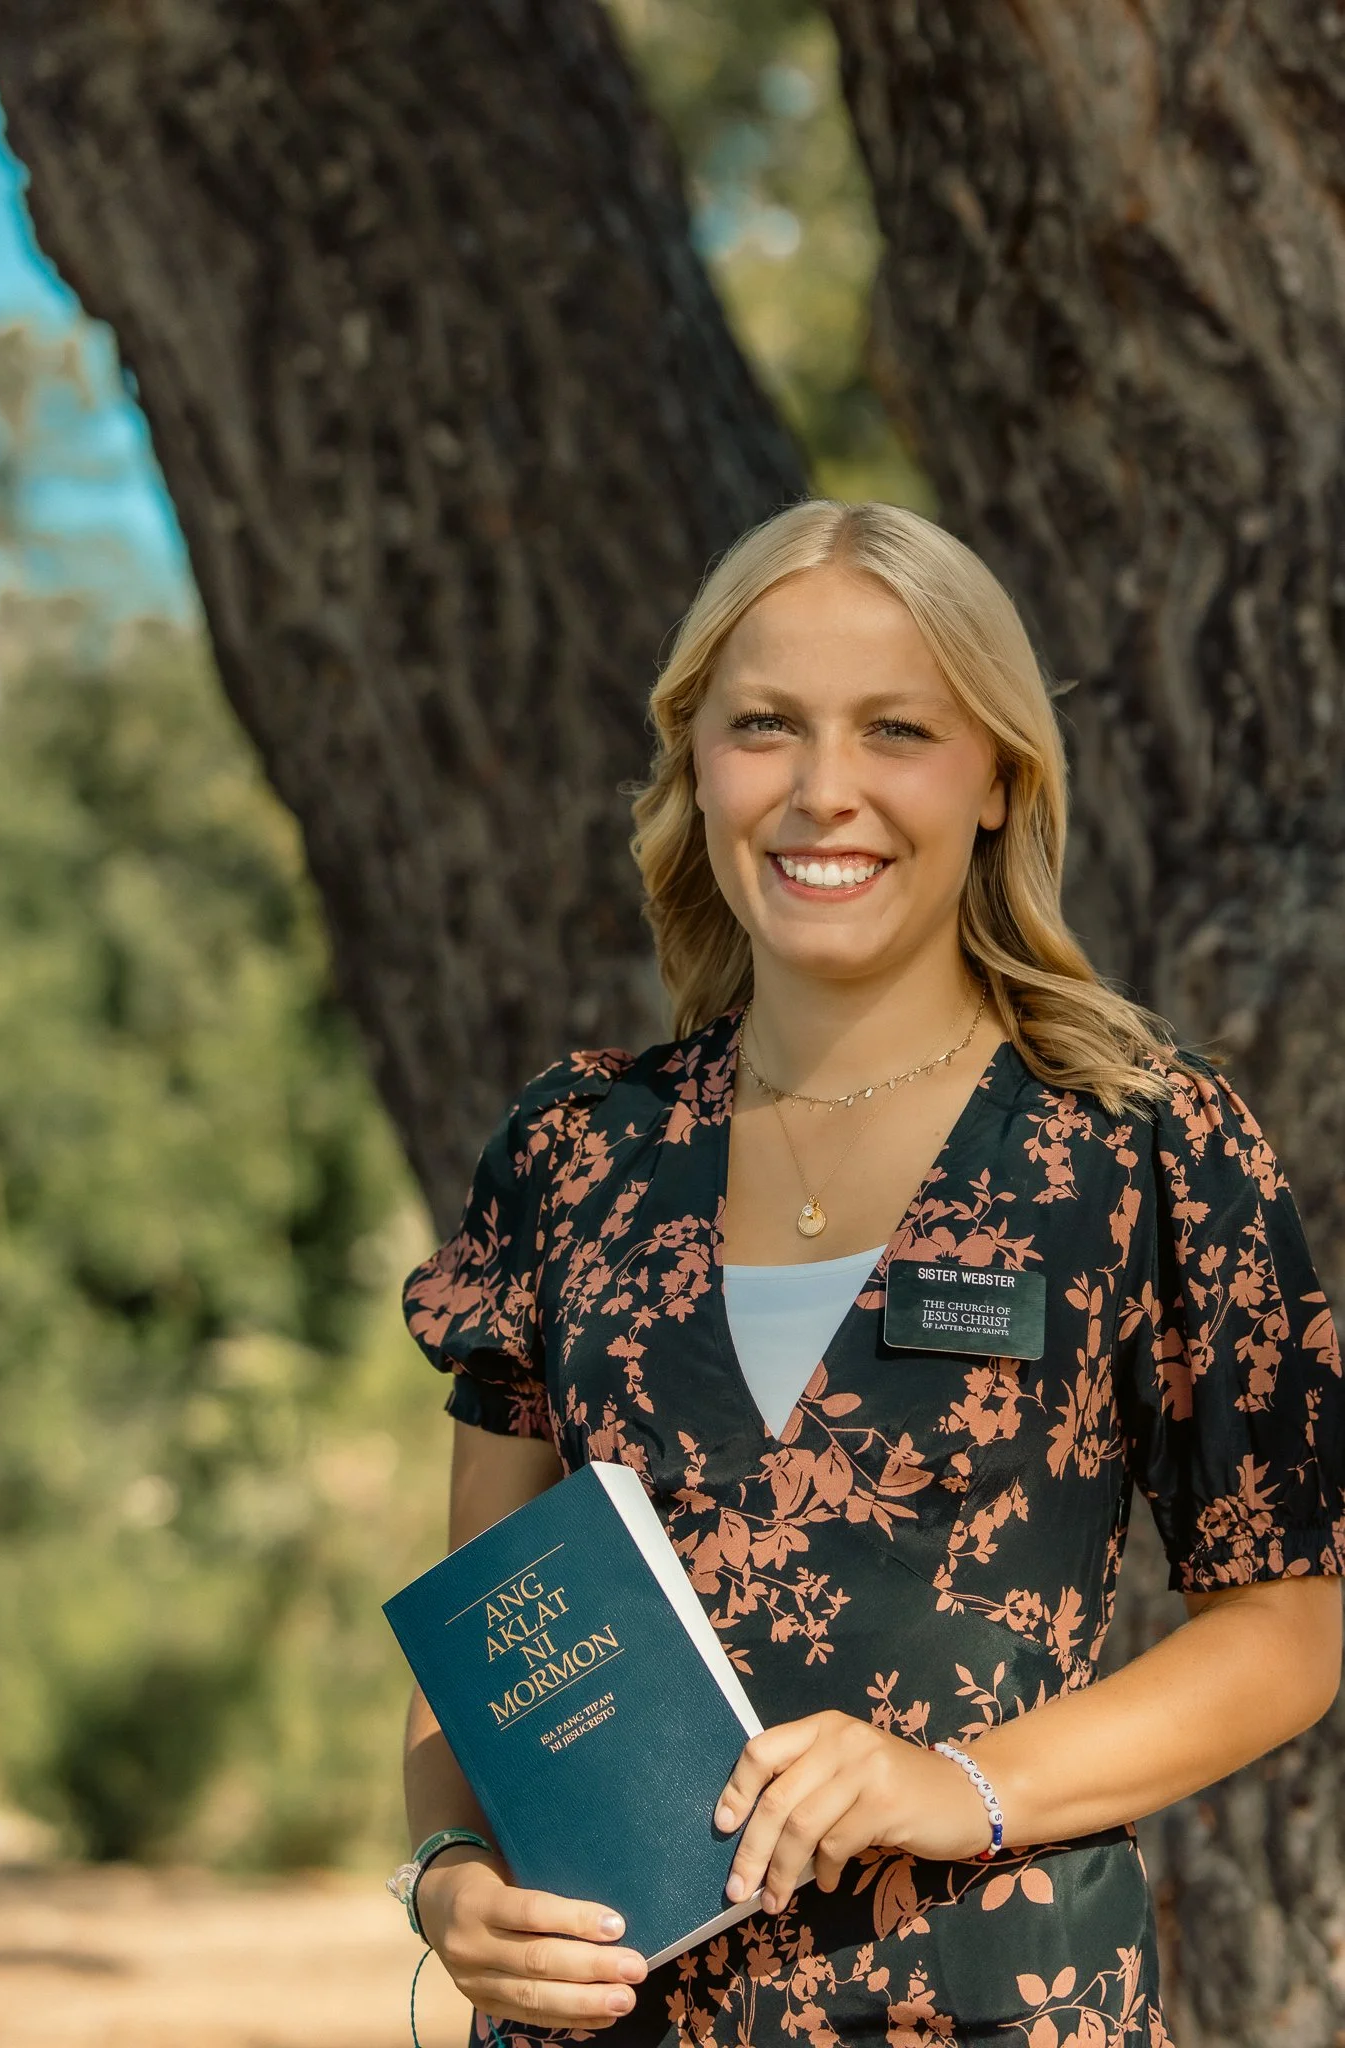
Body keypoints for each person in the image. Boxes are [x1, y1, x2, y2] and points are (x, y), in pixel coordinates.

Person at [395, 500, 1344, 2047]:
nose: (823, 792)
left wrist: (956, 1786)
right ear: (696, 765)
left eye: (897, 729)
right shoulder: (573, 1154)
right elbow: (483, 1659)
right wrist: (447, 1885)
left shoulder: (1143, 1144)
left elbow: (1290, 1629)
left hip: (996, 2010)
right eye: (765, 726)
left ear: (996, 780)